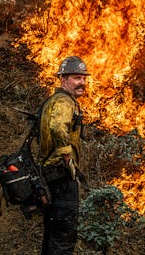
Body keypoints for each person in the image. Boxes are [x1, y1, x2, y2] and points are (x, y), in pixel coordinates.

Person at [40, 56, 90, 255]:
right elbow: (58, 128)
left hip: (52, 175)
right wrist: (67, 157)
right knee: (64, 235)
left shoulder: (55, 100)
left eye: (84, 78)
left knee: (52, 235)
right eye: (77, 78)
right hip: (60, 176)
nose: (82, 83)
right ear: (63, 79)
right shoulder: (63, 101)